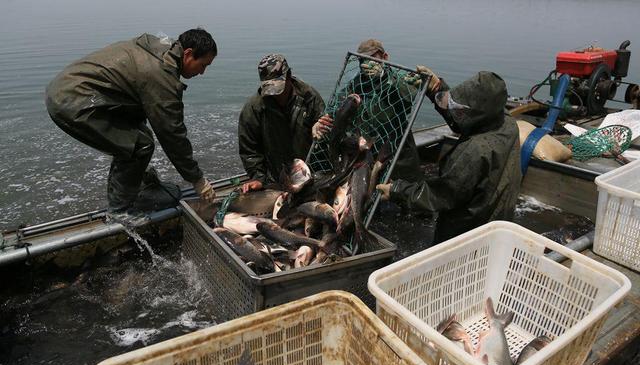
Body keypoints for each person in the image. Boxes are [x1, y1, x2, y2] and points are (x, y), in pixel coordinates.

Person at [46, 28, 218, 222]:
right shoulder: (161, 76)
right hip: (74, 102)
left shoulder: (161, 49)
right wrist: (198, 180)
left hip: (72, 90)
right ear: (188, 54)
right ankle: (120, 211)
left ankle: (138, 189)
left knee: (134, 137)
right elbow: (172, 135)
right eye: (203, 65)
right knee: (139, 145)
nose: (202, 72)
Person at [376, 71, 522, 244]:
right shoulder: (506, 122)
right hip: (497, 217)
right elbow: (469, 119)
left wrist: (396, 190)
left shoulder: (473, 151)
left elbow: (441, 195)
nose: (458, 114)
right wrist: (436, 88)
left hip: (468, 230)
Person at [312, 39, 439, 182]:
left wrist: (383, 75)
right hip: (367, 155)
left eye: (372, 58)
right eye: (362, 60)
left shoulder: (401, 79)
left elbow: (408, 96)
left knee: (402, 197)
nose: (367, 64)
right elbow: (336, 107)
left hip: (397, 156)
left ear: (385, 57)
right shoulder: (356, 83)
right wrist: (321, 122)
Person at [238, 54, 325, 193]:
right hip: (276, 177)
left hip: (310, 172)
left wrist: (320, 126)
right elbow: (249, 149)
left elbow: (326, 128)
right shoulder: (254, 108)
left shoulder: (309, 97)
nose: (275, 95)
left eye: (279, 88)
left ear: (289, 76)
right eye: (270, 89)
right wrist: (258, 177)